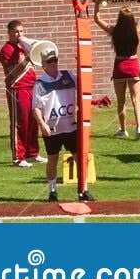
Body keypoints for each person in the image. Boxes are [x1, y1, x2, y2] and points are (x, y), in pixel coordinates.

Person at [31, 46, 90, 203]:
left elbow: (85, 82)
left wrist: (82, 64)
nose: (54, 64)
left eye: (55, 60)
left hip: (71, 126)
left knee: (80, 158)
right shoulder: (40, 84)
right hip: (52, 128)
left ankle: (84, 190)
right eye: (50, 61)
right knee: (52, 159)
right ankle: (52, 191)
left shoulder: (68, 76)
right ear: (43, 64)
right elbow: (36, 108)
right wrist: (42, 125)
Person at [92, 0, 140, 140]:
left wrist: (98, 3)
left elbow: (97, 18)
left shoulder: (114, 31)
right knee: (136, 99)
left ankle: (123, 129)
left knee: (121, 101)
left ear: (119, 18)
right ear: (132, 19)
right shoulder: (136, 30)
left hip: (119, 65)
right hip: (133, 64)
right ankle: (138, 126)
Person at [0, 19, 39, 168]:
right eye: (16, 32)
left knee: (33, 121)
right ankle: (18, 157)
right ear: (9, 32)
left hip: (31, 87)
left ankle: (32, 153)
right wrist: (26, 60)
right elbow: (12, 73)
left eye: (21, 31)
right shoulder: (6, 50)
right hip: (17, 88)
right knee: (20, 123)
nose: (19, 34)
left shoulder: (24, 46)